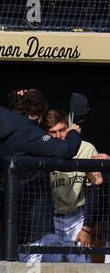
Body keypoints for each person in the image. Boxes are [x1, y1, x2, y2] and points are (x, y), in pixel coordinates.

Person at [0, 89, 82, 262]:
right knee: (30, 268)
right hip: (31, 214)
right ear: (34, 113)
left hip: (12, 207)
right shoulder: (26, 132)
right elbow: (66, 149)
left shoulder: (2, 124)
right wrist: (73, 133)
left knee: (20, 262)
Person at [39, 109, 102, 262]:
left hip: (77, 217)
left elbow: (95, 190)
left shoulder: (86, 148)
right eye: (53, 132)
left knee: (82, 265)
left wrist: (86, 228)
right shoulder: (41, 149)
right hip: (51, 219)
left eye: (62, 130)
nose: (59, 136)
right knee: (48, 267)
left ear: (69, 127)